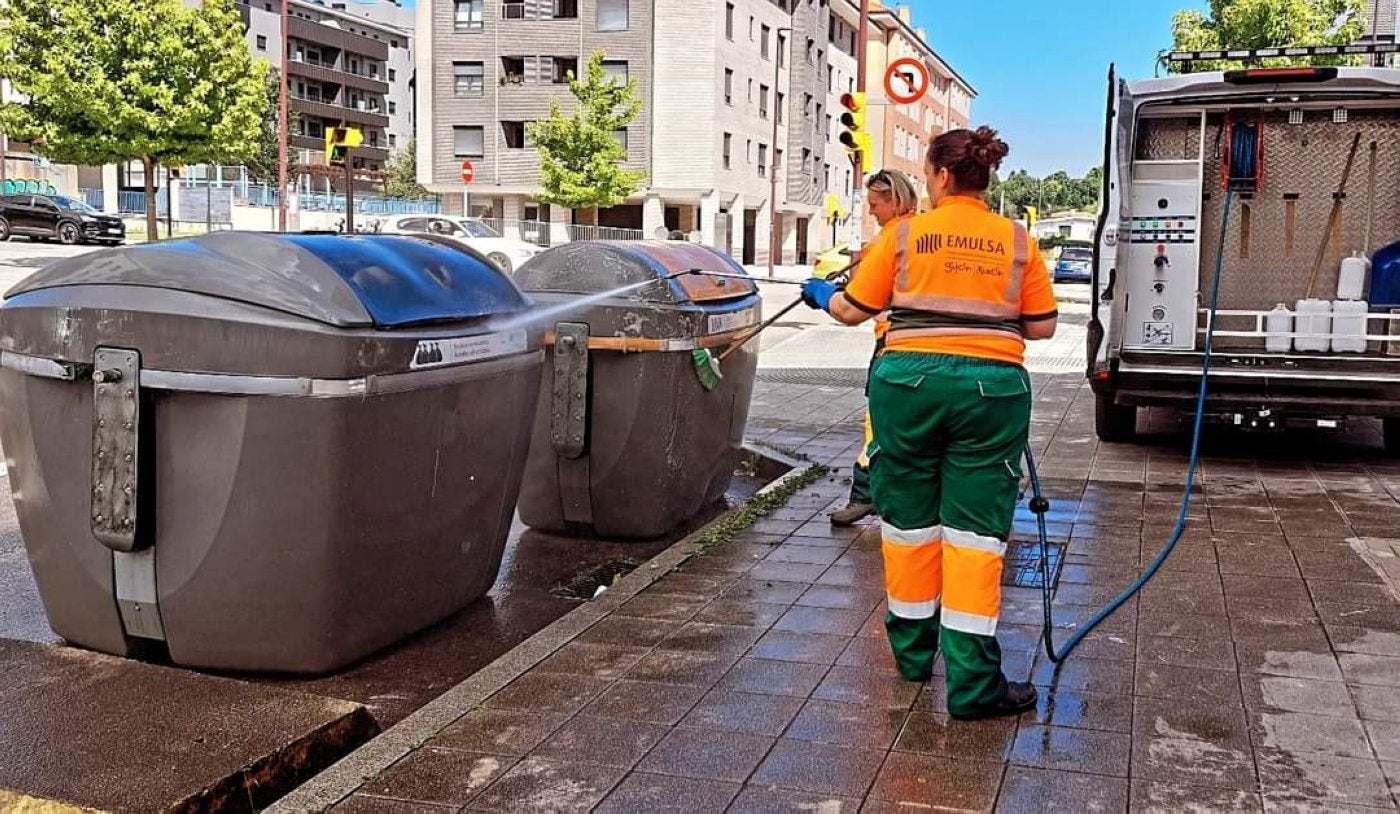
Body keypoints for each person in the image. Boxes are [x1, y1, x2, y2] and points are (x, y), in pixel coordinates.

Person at [799, 127, 1058, 720]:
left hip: (907, 388)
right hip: (991, 393)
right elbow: (1042, 326)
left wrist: (818, 294)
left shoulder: (904, 234)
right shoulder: (1017, 240)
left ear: (940, 176)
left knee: (909, 526)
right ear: (984, 176)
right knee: (975, 539)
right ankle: (972, 686)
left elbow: (851, 310)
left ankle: (913, 659)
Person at [829, 169, 920, 527]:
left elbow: (853, 309)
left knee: (879, 423)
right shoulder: (918, 232)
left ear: (894, 201)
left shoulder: (892, 239)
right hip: (917, 346)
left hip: (895, 347)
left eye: (875, 204)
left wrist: (826, 296)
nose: (870, 211)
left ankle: (867, 495)